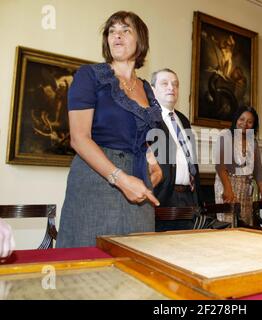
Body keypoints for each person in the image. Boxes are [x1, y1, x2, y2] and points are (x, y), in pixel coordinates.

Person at [56, 11, 162, 248]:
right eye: (112, 31)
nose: (117, 36)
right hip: (96, 181)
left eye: (126, 30)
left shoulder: (147, 89)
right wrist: (120, 179)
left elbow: (142, 138)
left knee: (138, 264)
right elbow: (79, 139)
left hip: (138, 184)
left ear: (141, 41)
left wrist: (152, 162)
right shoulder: (89, 76)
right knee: (90, 267)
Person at [150, 68, 202, 231]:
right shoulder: (149, 119)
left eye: (175, 84)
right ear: (153, 89)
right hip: (163, 197)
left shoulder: (184, 120)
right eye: (164, 83)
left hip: (188, 197)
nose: (171, 88)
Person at [214, 106, 262, 226]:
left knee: (244, 226)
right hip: (227, 185)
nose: (244, 124)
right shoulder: (226, 135)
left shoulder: (253, 142)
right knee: (228, 226)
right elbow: (220, 166)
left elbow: (258, 171)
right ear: (236, 119)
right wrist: (228, 189)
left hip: (246, 190)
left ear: (253, 126)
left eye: (250, 122)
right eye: (242, 119)